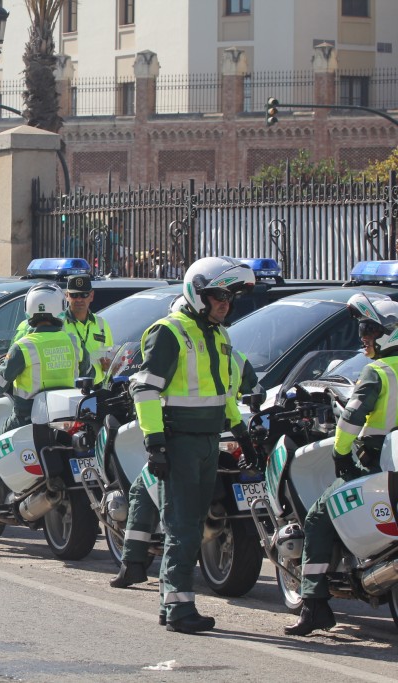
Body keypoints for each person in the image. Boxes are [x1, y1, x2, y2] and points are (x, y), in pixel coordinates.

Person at [128, 256, 257, 634]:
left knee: (194, 525)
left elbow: (222, 392)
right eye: (219, 295)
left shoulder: (219, 334)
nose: (225, 304)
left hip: (208, 442)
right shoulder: (169, 332)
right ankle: (180, 608)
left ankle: (173, 605)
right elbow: (146, 389)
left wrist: (241, 432)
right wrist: (156, 444)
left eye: (229, 297)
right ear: (198, 293)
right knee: (183, 528)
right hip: (180, 442)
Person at [285, 292, 397, 636]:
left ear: (387, 333)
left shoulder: (377, 371)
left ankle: (315, 604)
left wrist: (341, 454)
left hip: (375, 464)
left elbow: (350, 419)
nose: (363, 337)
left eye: (368, 329)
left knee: (319, 516)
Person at [0, 285, 91, 552]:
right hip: (67, 415)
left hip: (27, 417)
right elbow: (88, 370)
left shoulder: (24, 346)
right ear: (60, 308)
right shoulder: (73, 341)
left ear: (29, 311)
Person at [60, 275, 115, 383]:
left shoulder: (101, 323)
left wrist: (109, 366)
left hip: (97, 390)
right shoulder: (59, 324)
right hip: (69, 389)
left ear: (91, 296)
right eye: (74, 295)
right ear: (66, 295)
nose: (79, 299)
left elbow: (109, 356)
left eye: (84, 295)